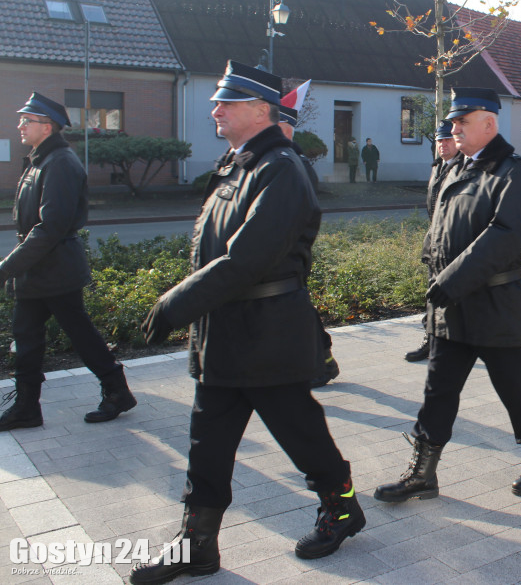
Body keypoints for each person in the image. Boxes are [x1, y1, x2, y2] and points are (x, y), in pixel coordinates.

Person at [131, 62, 362, 584]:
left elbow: (247, 258)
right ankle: (197, 545)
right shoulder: (237, 164)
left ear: (261, 111)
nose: (215, 109)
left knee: (300, 434)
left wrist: (176, 304)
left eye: (226, 102)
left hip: (267, 333)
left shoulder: (282, 168)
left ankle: (342, 505)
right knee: (206, 445)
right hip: (223, 332)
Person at [374, 87, 521, 503]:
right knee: (438, 391)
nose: (453, 128)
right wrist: (432, 264)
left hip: (494, 304)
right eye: (453, 121)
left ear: (489, 123)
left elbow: (505, 237)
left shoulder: (512, 173)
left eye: (462, 121)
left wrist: (451, 279)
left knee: (516, 391)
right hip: (452, 307)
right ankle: (423, 473)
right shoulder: (455, 168)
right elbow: (440, 225)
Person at [0, 93, 137, 431]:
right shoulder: (40, 159)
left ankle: (117, 391)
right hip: (39, 268)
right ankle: (27, 407)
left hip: (55, 269)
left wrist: (6, 268)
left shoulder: (60, 163)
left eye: (27, 120)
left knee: (79, 333)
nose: (20, 125)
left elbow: (51, 227)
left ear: (47, 127)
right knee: (27, 337)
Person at [278, 84, 340, 388]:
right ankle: (320, 361)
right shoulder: (281, 159)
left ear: (285, 128)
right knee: (295, 311)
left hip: (289, 254)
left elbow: (304, 212)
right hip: (280, 254)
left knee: (297, 311)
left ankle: (322, 363)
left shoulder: (295, 163)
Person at [405, 119, 462, 363]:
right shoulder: (437, 167)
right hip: (435, 241)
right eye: (439, 140)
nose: (442, 145)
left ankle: (455, 343)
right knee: (432, 293)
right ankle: (431, 340)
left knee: (454, 297)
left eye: (447, 140)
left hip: (455, 243)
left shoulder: (464, 168)